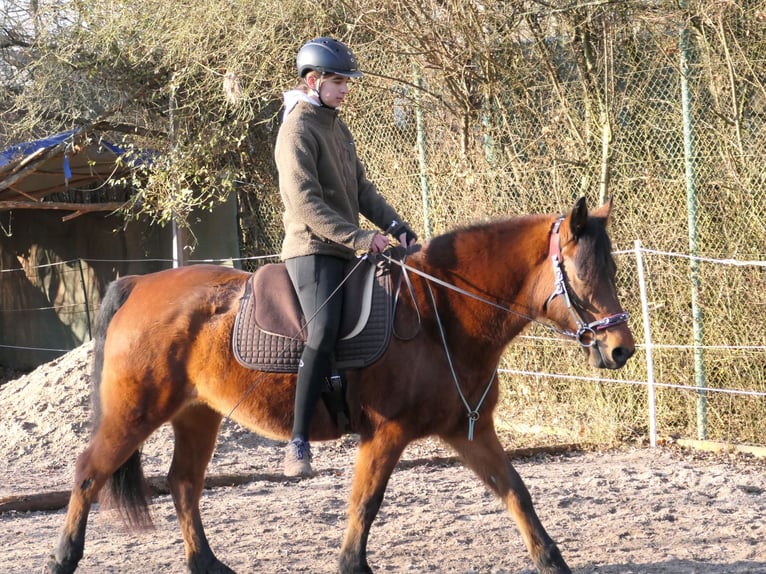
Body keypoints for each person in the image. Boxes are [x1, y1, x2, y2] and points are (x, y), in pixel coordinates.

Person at [275, 37, 417, 477]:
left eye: (347, 82)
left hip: (347, 244)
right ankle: (298, 441)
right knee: (324, 329)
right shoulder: (296, 129)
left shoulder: (336, 125)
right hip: (312, 249)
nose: (345, 89)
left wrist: (396, 227)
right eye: (338, 82)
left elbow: (363, 190)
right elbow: (305, 204)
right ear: (313, 81)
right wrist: (360, 238)